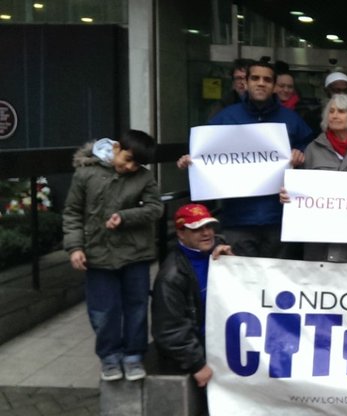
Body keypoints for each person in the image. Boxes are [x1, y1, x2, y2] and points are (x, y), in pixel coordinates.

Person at [177, 59, 313, 259]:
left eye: (267, 80)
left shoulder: (291, 120)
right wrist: (191, 160)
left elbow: (310, 149)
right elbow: (206, 154)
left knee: (276, 281)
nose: (261, 83)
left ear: (274, 86)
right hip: (237, 218)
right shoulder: (225, 118)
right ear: (245, 83)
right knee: (243, 282)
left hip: (279, 217)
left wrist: (301, 154)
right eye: (255, 78)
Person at [63, 131, 162, 381]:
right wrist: (75, 247)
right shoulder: (86, 173)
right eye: (127, 159)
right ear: (116, 148)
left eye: (136, 164)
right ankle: (109, 357)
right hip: (98, 254)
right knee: (103, 310)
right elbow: (73, 212)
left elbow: (155, 208)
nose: (130, 167)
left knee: (136, 306)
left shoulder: (145, 177)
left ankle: (133, 356)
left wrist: (126, 216)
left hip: (136, 253)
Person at [280, 94, 347, 262]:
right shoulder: (312, 149)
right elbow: (296, 192)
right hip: (317, 246)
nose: (334, 115)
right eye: (331, 111)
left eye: (341, 111)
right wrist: (287, 195)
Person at [152, 203, 233, 388]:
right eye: (197, 229)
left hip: (223, 339)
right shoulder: (172, 276)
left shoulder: (220, 249)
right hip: (202, 348)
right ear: (181, 233)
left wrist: (234, 261)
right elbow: (170, 329)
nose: (206, 233)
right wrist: (197, 364)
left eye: (208, 226)